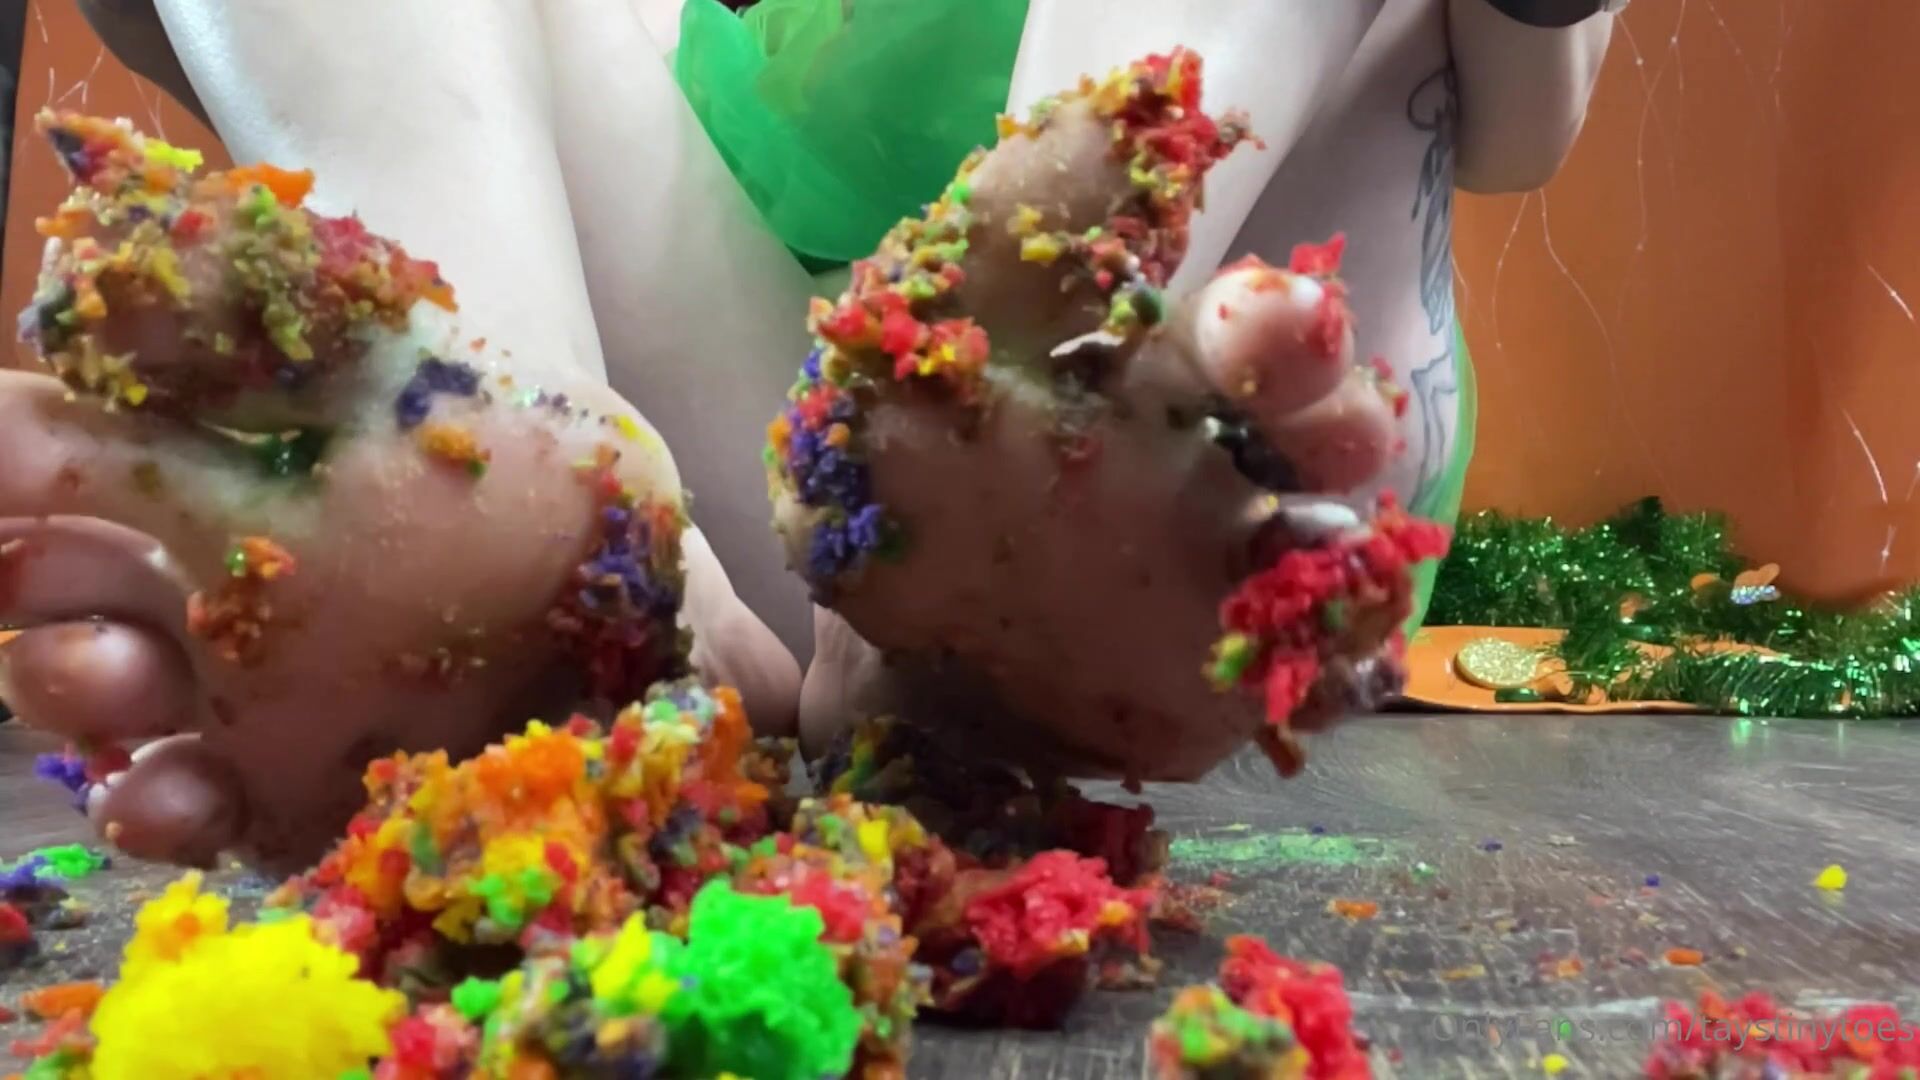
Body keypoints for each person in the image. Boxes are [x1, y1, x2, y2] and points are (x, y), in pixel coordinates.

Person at [2, 0, 1614, 869]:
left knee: (1076, 299)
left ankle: (1055, 360)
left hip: (1221, 378)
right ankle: (569, 530)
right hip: (750, 480)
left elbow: (1525, 123)